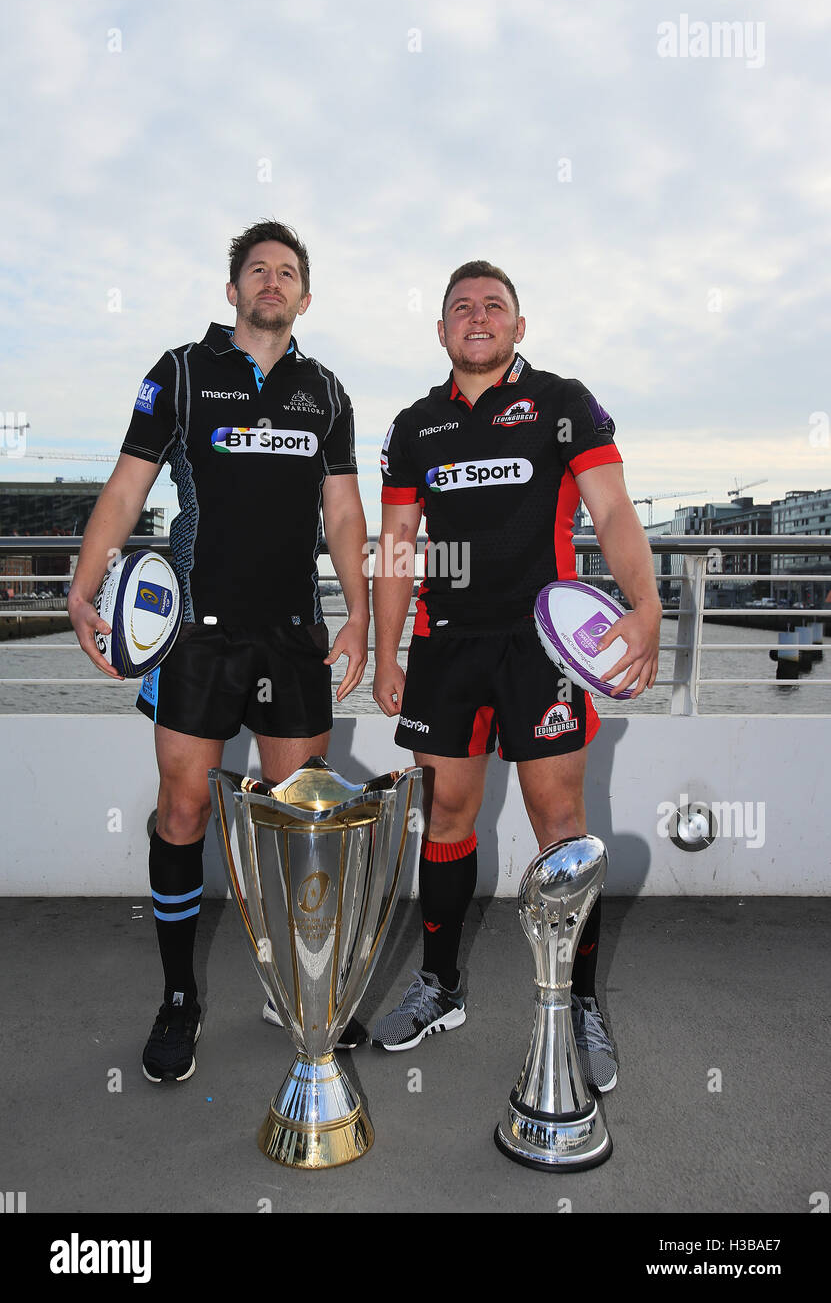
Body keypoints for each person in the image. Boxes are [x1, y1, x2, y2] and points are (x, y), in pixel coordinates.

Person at [69, 220, 369, 1082]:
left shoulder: (327, 391)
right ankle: (178, 999)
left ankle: (296, 989)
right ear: (231, 288)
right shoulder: (181, 373)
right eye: (256, 271)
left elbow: (344, 515)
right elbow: (128, 487)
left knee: (295, 822)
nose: (271, 283)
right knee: (184, 813)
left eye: (287, 273)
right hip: (194, 637)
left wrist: (358, 618)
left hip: (291, 635)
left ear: (304, 297)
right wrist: (83, 589)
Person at [371, 260, 661, 1091]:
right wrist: (388, 652)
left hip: (543, 647)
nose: (476, 315)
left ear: (517, 327)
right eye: (460, 306)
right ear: (440, 330)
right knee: (449, 812)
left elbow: (611, 511)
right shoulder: (413, 425)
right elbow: (396, 548)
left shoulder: (563, 403)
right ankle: (440, 985)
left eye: (493, 305)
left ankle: (576, 1003)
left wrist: (641, 606)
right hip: (445, 646)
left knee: (559, 820)